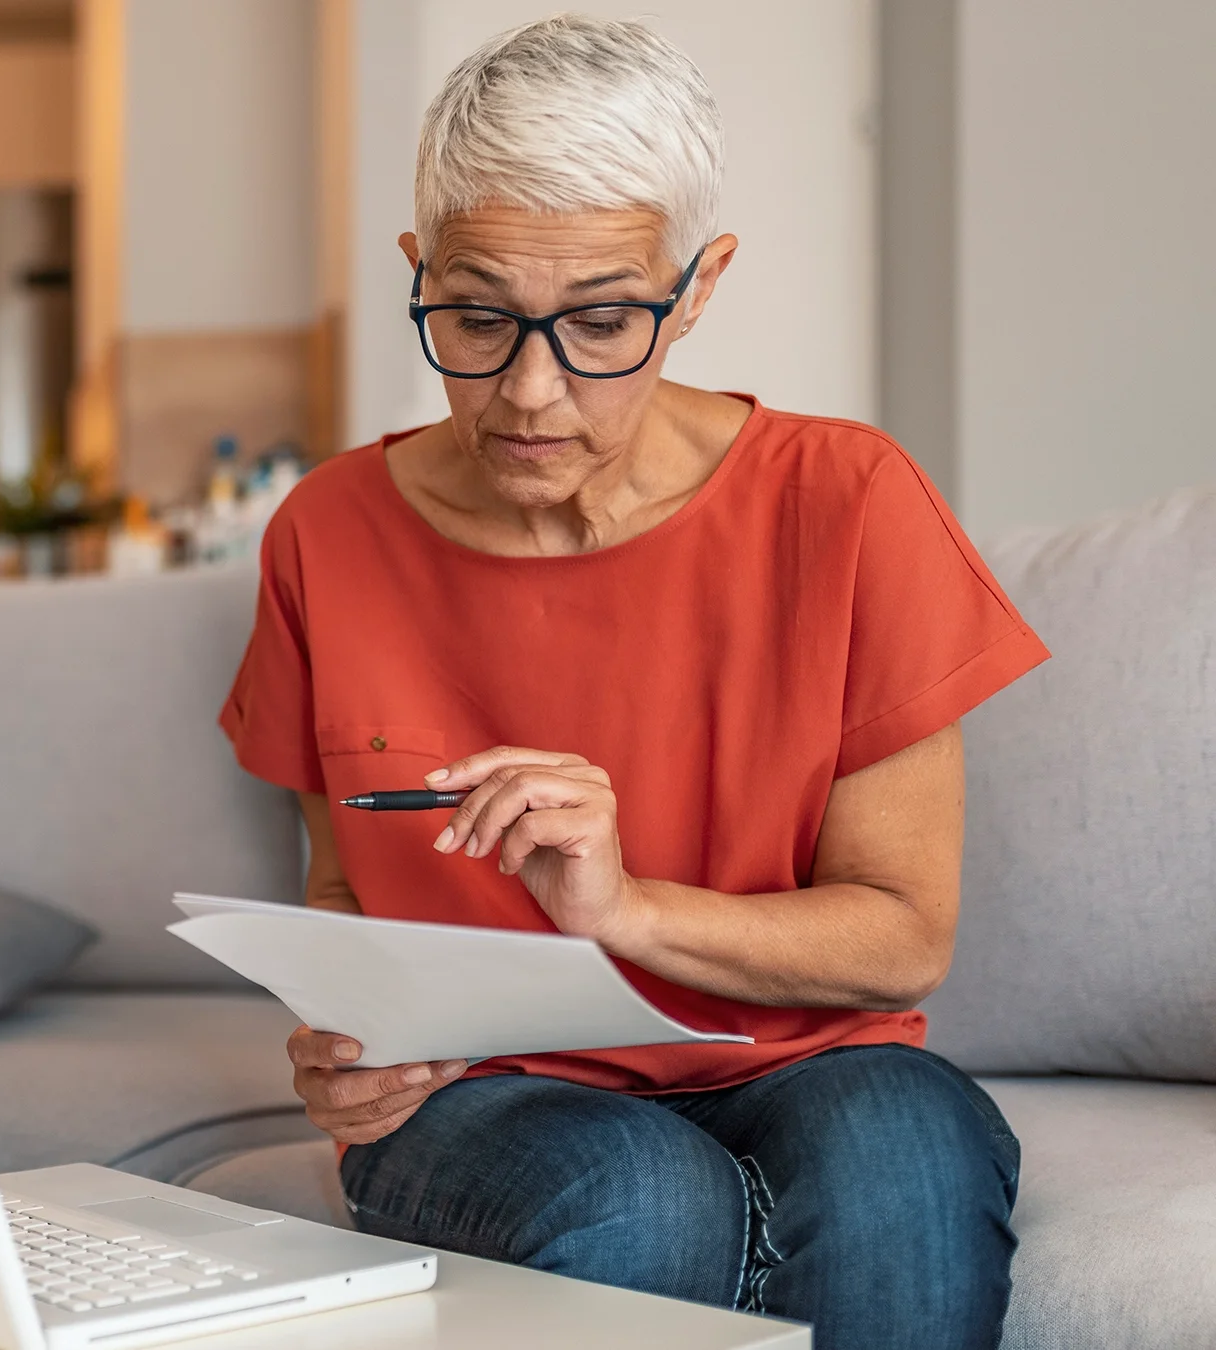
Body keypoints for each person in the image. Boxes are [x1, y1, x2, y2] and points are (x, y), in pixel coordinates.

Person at [218, 16, 1045, 1349]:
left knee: (908, 1151)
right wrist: (349, 1029)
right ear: (418, 270)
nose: (530, 392)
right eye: (476, 315)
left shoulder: (847, 502)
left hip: (806, 1062)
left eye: (601, 320)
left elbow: (904, 932)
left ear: (698, 286)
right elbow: (339, 883)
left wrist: (624, 908)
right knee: (640, 1189)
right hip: (485, 1096)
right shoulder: (326, 530)